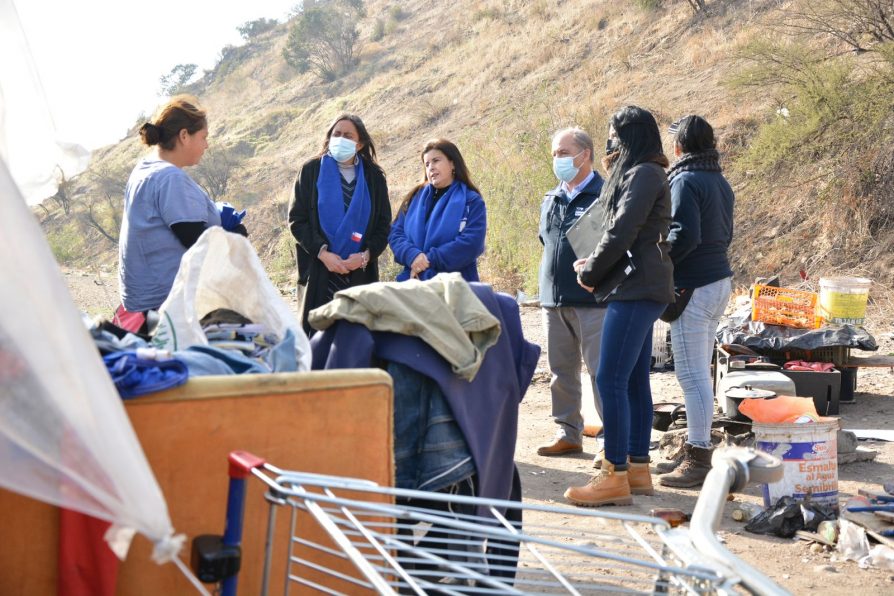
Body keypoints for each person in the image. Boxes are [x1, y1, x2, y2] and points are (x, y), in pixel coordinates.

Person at [564, 106, 674, 507]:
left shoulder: (644, 173)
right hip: (641, 285)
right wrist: (593, 262)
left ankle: (615, 474)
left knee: (609, 376)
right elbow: (623, 231)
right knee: (631, 381)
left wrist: (591, 270)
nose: (610, 142)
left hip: (637, 288)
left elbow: (623, 229)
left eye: (613, 135)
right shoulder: (645, 172)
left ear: (629, 137)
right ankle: (638, 468)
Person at [657, 115, 735, 488]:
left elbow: (683, 236)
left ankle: (698, 456)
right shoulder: (719, 180)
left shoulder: (685, 179)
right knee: (698, 374)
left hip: (695, 284)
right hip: (718, 279)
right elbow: (726, 233)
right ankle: (694, 446)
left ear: (679, 147)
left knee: (691, 375)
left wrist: (656, 262)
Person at [118, 95, 229, 321]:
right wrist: (234, 238)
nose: (206, 145)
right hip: (171, 303)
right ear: (184, 136)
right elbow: (196, 241)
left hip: (147, 300)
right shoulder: (170, 178)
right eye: (203, 137)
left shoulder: (145, 168)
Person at [535, 127, 608, 458]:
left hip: (592, 301)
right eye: (554, 154)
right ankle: (568, 432)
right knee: (561, 371)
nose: (558, 160)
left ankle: (610, 438)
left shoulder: (604, 195)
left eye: (564, 153)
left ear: (586, 155)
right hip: (554, 300)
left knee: (601, 372)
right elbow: (546, 242)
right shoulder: (550, 198)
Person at [288, 113, 392, 335]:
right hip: (320, 272)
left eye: (347, 135)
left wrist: (365, 256)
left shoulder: (374, 177)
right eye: (336, 134)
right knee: (316, 340)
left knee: (356, 343)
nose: (340, 139)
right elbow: (297, 220)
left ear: (360, 143)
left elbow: (384, 225)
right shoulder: (310, 171)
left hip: (359, 273)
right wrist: (323, 253)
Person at [389, 139, 486, 282]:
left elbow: (472, 243)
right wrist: (412, 255)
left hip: (456, 287)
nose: (431, 167)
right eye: (427, 164)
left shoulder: (471, 201)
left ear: (452, 163)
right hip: (412, 281)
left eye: (436, 161)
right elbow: (395, 233)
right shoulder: (414, 198)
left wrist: (428, 260)